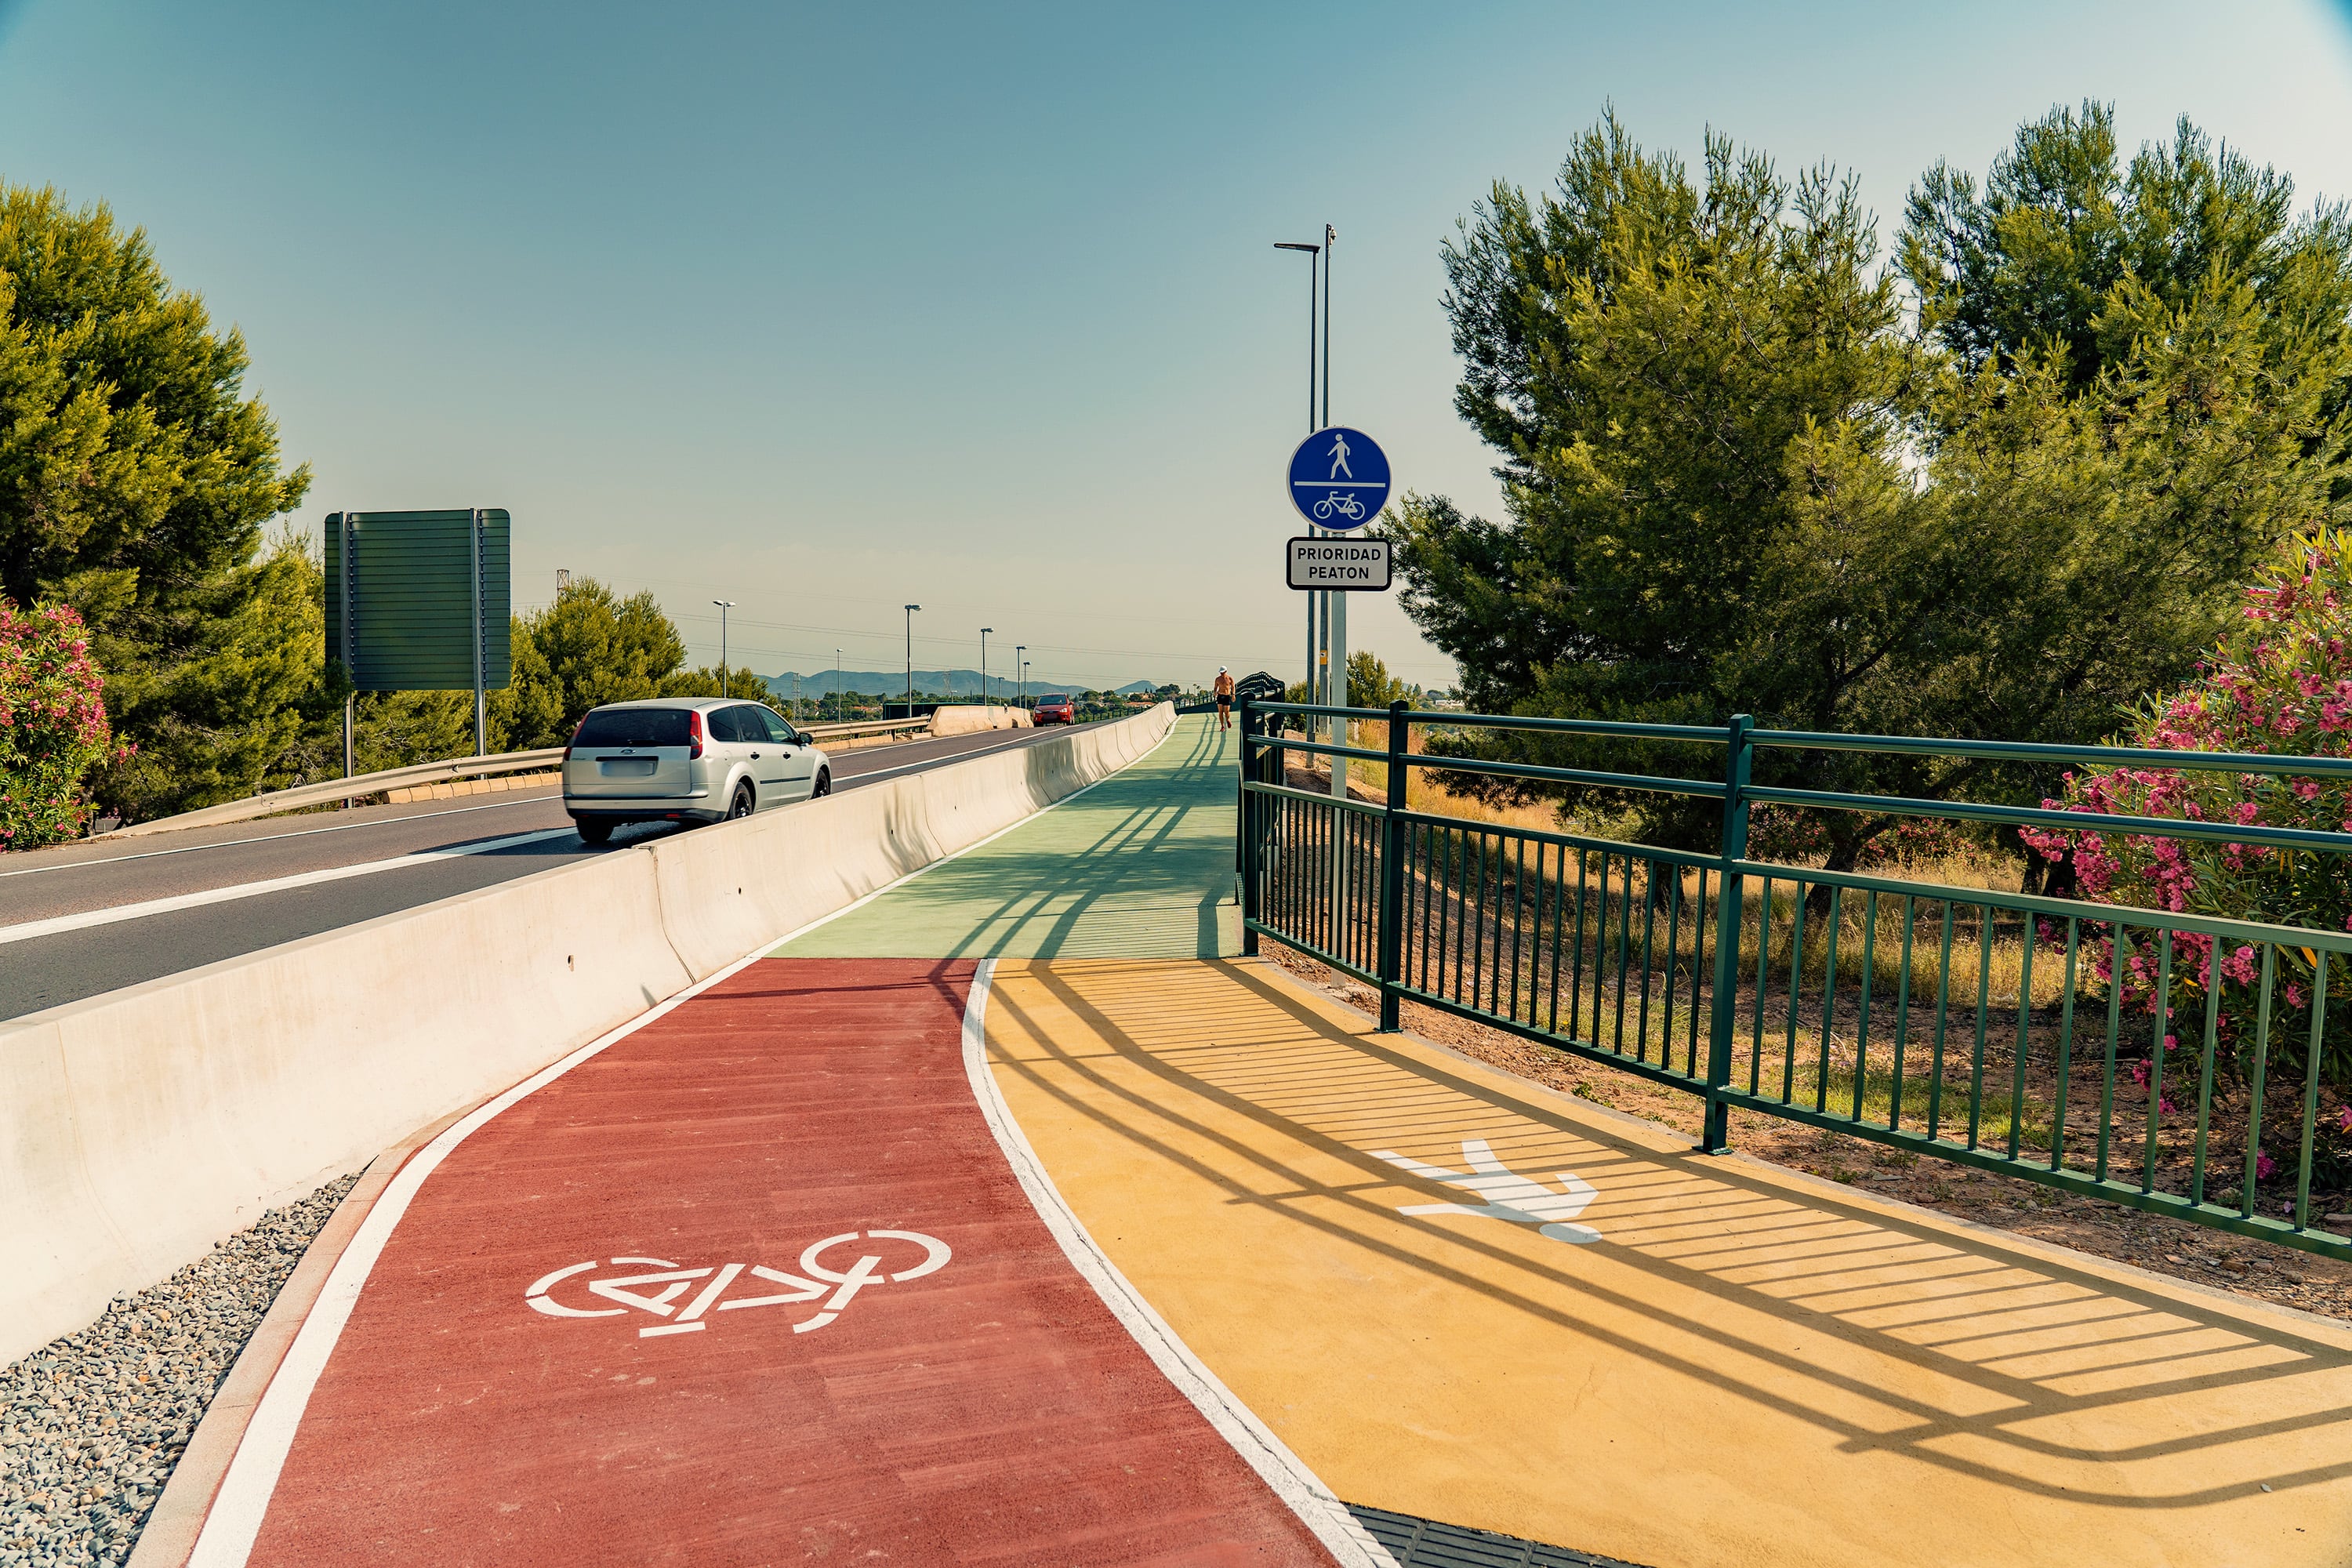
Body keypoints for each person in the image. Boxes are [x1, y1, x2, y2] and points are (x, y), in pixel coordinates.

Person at [1214, 666, 1235, 731]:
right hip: (1220, 696)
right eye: (1221, 672)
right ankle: (1222, 726)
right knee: (1220, 711)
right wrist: (1215, 692)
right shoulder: (1217, 679)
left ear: (1226, 671)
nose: (1221, 673)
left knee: (1227, 711)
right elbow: (1215, 687)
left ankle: (1228, 719)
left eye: (1223, 672)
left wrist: (1233, 695)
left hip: (1227, 696)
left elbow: (1233, 687)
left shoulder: (1230, 678)